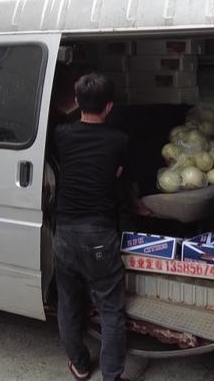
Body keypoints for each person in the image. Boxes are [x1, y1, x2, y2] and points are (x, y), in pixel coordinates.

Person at [53, 72, 129, 381]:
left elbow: (61, 121)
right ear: (109, 107)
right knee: (110, 308)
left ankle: (80, 364)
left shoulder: (62, 135)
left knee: (68, 304)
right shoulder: (119, 141)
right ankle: (111, 375)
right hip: (98, 233)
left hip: (65, 232)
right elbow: (119, 177)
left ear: (76, 102)